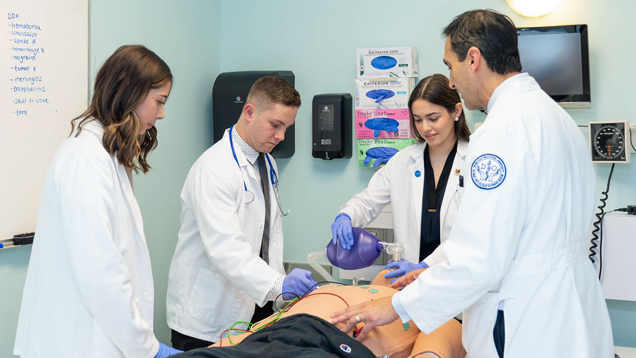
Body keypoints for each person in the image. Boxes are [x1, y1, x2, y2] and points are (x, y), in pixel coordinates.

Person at [330, 9, 614, 358]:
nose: (452, 79)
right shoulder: (558, 120)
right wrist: (427, 267)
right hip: (571, 311)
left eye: (451, 65)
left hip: (523, 319)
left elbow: (479, 258)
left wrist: (396, 307)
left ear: (474, 59)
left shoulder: (500, 132)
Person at [14, 45, 181, 358]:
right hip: (78, 344)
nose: (161, 114)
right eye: (159, 101)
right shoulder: (87, 159)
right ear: (131, 92)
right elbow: (102, 272)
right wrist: (147, 348)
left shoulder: (105, 153)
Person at [166, 76, 317, 351]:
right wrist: (279, 284)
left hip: (254, 309)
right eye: (275, 125)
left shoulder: (266, 161)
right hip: (206, 318)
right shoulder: (214, 169)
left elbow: (267, 236)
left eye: (286, 128)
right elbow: (227, 249)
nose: (281, 136)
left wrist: (279, 295)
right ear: (249, 112)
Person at [332, 74, 470, 281]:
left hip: (457, 279)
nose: (425, 128)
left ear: (456, 111)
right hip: (410, 282)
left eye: (433, 118)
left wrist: (426, 265)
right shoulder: (403, 161)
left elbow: (471, 231)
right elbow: (368, 201)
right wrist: (347, 216)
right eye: (418, 120)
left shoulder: (473, 160)